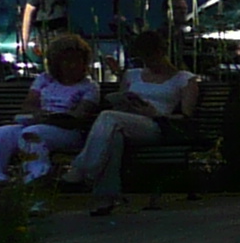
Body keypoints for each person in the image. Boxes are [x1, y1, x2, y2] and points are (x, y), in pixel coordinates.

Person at [70, 30, 199, 216]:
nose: (149, 62)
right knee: (113, 135)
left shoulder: (185, 79)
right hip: (125, 122)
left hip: (157, 125)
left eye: (152, 56)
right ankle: (106, 198)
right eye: (144, 57)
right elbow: (121, 102)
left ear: (163, 52)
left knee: (109, 117)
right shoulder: (132, 75)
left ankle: (82, 168)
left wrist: (154, 113)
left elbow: (186, 117)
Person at [0, 32, 103, 184]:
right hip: (39, 122)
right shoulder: (45, 79)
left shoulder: (89, 87)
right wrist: (38, 114)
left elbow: (79, 116)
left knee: (31, 134)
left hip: (67, 132)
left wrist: (56, 118)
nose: (72, 66)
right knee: (1, 133)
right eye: (66, 61)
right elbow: (29, 105)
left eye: (77, 61)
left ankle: (37, 176)